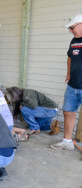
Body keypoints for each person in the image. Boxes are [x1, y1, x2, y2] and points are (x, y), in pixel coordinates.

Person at [51, 14, 82, 150]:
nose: (70, 31)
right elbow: (70, 58)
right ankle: (67, 141)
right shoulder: (73, 41)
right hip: (72, 85)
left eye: (72, 27)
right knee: (68, 112)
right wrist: (68, 73)